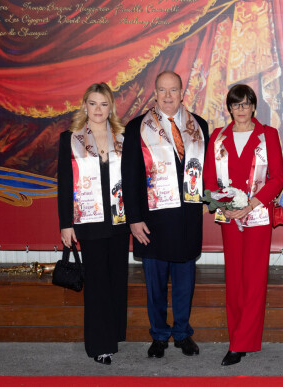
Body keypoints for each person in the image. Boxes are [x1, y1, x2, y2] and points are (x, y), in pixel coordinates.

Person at [121, 71, 209, 359]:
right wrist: (133, 219)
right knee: (155, 286)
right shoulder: (137, 128)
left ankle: (182, 333)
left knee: (185, 284)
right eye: (162, 90)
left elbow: (204, 174)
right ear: (155, 93)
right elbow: (129, 176)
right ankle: (159, 335)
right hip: (152, 223)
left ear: (182, 92)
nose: (168, 96)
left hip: (186, 221)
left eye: (173, 90)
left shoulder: (201, 126)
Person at [203, 84, 283, 366]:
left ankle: (241, 343)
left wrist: (249, 206)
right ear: (229, 108)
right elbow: (209, 181)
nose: (241, 110)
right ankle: (238, 335)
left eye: (246, 104)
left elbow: (277, 179)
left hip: (258, 215)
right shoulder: (217, 137)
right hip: (228, 216)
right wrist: (227, 206)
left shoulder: (268, 135)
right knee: (234, 279)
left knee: (254, 278)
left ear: (253, 106)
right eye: (236, 105)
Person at [57, 82, 129, 365]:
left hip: (119, 220)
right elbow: (65, 185)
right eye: (93, 103)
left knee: (116, 280)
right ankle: (99, 344)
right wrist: (66, 224)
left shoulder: (122, 137)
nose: (98, 110)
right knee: (97, 281)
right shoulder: (70, 139)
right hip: (88, 221)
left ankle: (112, 335)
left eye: (103, 104)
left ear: (110, 107)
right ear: (84, 105)